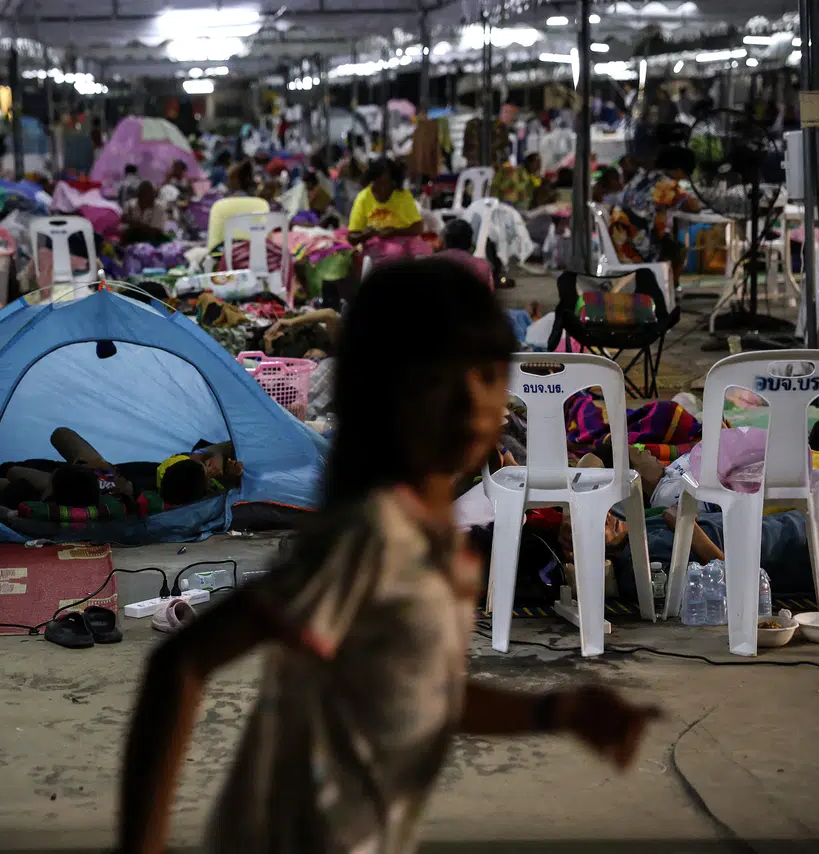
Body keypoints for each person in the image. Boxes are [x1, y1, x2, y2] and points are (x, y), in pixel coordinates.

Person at [116, 257, 659, 854]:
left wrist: (557, 713)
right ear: (381, 392)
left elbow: (426, 694)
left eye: (486, 372)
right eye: (437, 377)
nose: (470, 400)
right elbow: (181, 663)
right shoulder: (366, 540)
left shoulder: (435, 541)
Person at [0, 430, 241, 509]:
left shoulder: (131, 497)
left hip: (77, 484)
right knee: (57, 438)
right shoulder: (178, 478)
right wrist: (217, 458)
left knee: (13, 475)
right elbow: (228, 445)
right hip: (100, 472)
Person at [610, 145, 702, 292]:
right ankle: (667, 291)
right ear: (678, 169)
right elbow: (694, 207)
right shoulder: (665, 184)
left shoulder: (641, 177)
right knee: (677, 249)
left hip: (619, 241)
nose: (685, 178)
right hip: (636, 248)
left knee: (670, 242)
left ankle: (665, 289)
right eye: (687, 174)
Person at [346, 157, 423, 246]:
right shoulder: (363, 198)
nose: (381, 190)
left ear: (393, 181)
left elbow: (418, 228)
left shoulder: (403, 195)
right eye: (377, 185)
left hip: (403, 246)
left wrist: (393, 232)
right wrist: (366, 235)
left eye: (385, 185)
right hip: (375, 248)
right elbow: (352, 237)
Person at [439, 218, 495, 290]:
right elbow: (489, 292)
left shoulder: (431, 263)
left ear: (446, 241)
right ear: (470, 241)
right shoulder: (482, 266)